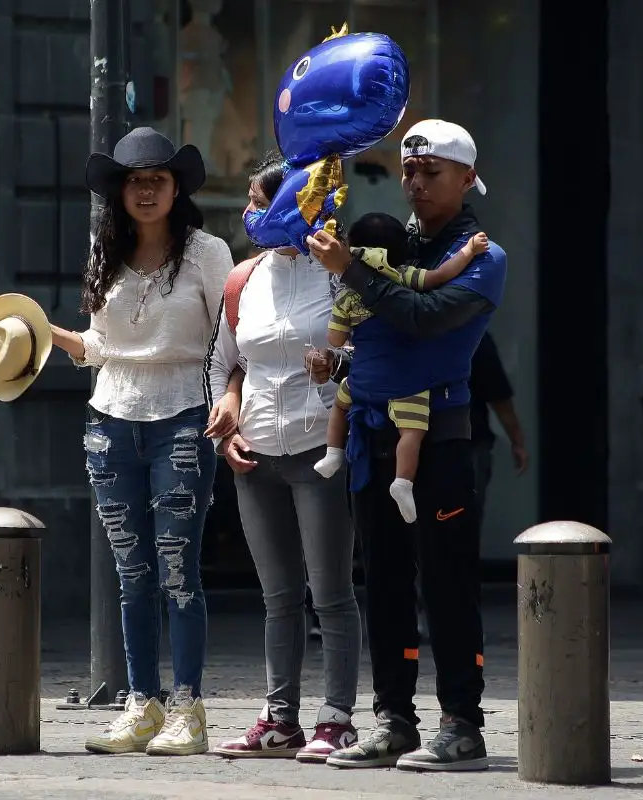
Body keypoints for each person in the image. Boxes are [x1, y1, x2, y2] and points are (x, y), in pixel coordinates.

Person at [305, 118, 506, 772]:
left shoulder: (484, 258)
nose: (414, 183)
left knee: (446, 583)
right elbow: (373, 350)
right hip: (370, 438)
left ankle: (462, 723)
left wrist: (354, 275)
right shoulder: (387, 251)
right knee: (384, 582)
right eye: (408, 171)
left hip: (442, 439)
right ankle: (393, 716)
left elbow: (424, 322)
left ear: (467, 177)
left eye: (431, 172)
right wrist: (333, 370)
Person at [49, 127, 233, 756]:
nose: (147, 188)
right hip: (109, 420)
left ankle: (188, 706)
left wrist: (227, 401)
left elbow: (231, 341)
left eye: (158, 177)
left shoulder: (208, 252)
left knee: (178, 567)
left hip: (183, 414)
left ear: (177, 186)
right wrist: (44, 331)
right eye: (134, 179)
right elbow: (101, 347)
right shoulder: (105, 250)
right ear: (119, 192)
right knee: (132, 572)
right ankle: (141, 703)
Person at [204, 152, 361, 762]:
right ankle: (280, 718)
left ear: (300, 204)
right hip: (256, 454)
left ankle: (337, 718)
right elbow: (221, 365)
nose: (249, 211)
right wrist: (225, 427)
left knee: (331, 592)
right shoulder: (244, 279)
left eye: (259, 200)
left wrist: (334, 368)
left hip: (320, 448)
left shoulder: (340, 274)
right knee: (277, 595)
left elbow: (368, 361)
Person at [313, 212, 489, 523]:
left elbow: (335, 339)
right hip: (405, 387)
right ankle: (403, 481)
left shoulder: (348, 296)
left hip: (362, 383)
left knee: (340, 406)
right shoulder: (406, 276)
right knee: (412, 431)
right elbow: (440, 276)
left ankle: (332, 453)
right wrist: (469, 251)